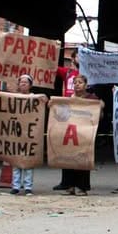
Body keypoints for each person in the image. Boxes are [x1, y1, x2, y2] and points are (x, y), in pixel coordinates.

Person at [59, 74, 100, 196]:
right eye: (75, 82)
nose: (77, 85)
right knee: (68, 158)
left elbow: (98, 112)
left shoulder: (92, 98)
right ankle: (69, 186)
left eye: (80, 82)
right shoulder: (68, 99)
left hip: (84, 133)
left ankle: (82, 187)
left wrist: (100, 105)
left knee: (82, 159)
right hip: (70, 133)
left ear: (86, 85)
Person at [52, 50, 80, 191]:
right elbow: (51, 66)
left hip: (80, 114)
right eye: (79, 55)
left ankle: (77, 181)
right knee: (65, 147)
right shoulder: (67, 72)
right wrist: (54, 49)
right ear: (73, 58)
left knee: (78, 147)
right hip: (66, 113)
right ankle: (65, 181)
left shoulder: (88, 72)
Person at [9, 74, 38, 195]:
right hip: (16, 132)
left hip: (30, 133)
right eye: (21, 82)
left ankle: (28, 186)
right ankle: (15, 185)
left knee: (28, 160)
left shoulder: (35, 97)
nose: (23, 84)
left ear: (30, 85)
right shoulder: (13, 97)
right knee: (16, 160)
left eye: (26, 82)